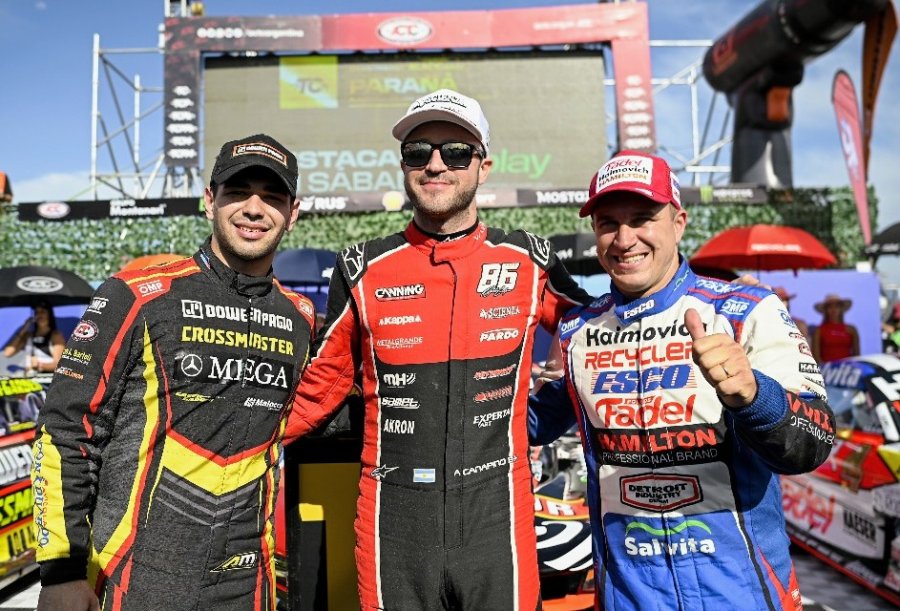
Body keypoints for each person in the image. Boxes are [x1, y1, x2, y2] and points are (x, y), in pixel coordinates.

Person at [284, 89, 591, 610]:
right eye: (418, 151)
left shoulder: (529, 259)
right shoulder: (363, 267)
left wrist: (545, 416)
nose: (434, 164)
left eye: (455, 152)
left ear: (483, 166)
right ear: (403, 165)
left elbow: (602, 336)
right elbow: (318, 388)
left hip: (499, 517)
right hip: (394, 520)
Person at [528, 150, 835, 610]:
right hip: (628, 595)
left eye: (642, 218)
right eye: (608, 222)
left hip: (742, 592)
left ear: (679, 222)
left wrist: (754, 396)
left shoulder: (745, 309)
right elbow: (524, 425)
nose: (624, 238)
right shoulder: (576, 334)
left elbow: (815, 440)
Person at [31, 133, 317, 611]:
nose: (253, 208)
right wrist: (60, 572)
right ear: (209, 201)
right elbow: (64, 429)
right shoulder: (137, 294)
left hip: (248, 582)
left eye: (271, 197)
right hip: (137, 574)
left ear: (293, 212)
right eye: (236, 192)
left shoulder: (301, 318)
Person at [2, 301, 65, 374]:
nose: (39, 315)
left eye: (43, 312)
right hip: (30, 379)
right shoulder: (29, 336)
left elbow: (59, 365)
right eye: (36, 312)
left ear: (49, 315)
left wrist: (40, 365)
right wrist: (23, 329)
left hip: (47, 380)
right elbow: (7, 353)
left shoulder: (56, 336)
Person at [812, 293, 859, 363]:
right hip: (827, 371)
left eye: (837, 306)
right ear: (825, 310)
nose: (833, 310)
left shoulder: (851, 330)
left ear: (841, 309)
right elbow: (816, 358)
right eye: (830, 307)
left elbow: (857, 356)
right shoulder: (819, 331)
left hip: (848, 370)